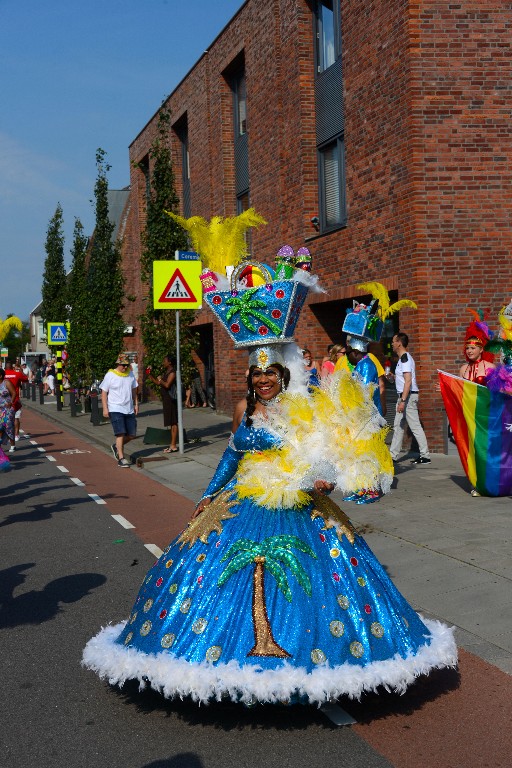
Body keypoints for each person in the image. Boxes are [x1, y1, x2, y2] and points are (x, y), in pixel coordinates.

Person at [83, 256, 456, 706]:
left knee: (312, 580)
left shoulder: (300, 407)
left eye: (270, 373)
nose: (263, 380)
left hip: (296, 501)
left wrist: (326, 479)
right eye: (257, 374)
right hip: (242, 500)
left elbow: (324, 450)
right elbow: (230, 457)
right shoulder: (244, 412)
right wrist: (207, 497)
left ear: (282, 375)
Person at [388, 332, 431, 465]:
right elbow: (404, 380)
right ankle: (392, 456)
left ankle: (425, 455)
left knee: (414, 426)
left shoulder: (405, 358)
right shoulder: (402, 359)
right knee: (398, 426)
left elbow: (408, 382)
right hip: (405, 396)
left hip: (407, 397)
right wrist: (393, 378)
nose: (392, 344)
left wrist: (403, 401)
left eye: (394, 341)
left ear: (399, 343)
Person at [100, 353, 138, 468]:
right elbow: (104, 392)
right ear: (118, 363)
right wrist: (105, 408)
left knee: (131, 435)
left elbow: (134, 391)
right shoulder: (110, 375)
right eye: (123, 365)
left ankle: (116, 446)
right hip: (115, 408)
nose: (125, 367)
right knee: (120, 433)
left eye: (126, 365)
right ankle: (121, 458)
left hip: (129, 408)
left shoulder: (130, 374)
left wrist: (136, 404)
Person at [148, 356, 178, 452]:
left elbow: (167, 384)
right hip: (166, 399)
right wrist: (149, 374)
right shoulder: (167, 372)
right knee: (170, 421)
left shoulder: (172, 372)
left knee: (173, 421)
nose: (163, 362)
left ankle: (173, 445)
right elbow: (158, 382)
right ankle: (172, 444)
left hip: (171, 400)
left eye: (164, 360)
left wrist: (161, 380)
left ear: (169, 362)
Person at [4, 360, 28, 445]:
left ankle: (6, 436)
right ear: (12, 367)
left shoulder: (2, 375)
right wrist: (20, 370)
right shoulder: (17, 374)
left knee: (4, 419)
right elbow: (26, 379)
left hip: (4, 400)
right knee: (16, 418)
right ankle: (17, 434)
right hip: (15, 399)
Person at [0, 368, 16, 464]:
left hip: (8, 409)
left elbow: (14, 393)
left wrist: (11, 402)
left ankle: (12, 444)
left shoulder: (6, 383)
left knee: (8, 425)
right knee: (0, 427)